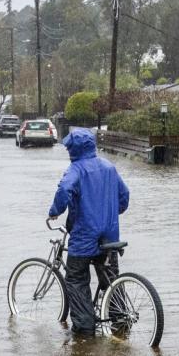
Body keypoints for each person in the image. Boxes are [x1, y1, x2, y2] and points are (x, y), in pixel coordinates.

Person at [48, 128, 130, 335]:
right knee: (111, 278)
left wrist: (54, 212)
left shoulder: (76, 169)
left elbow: (64, 190)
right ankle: (120, 322)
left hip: (85, 236)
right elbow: (124, 196)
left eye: (69, 147)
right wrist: (110, 212)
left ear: (75, 149)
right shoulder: (109, 167)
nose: (67, 150)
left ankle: (85, 330)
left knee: (75, 279)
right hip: (110, 235)